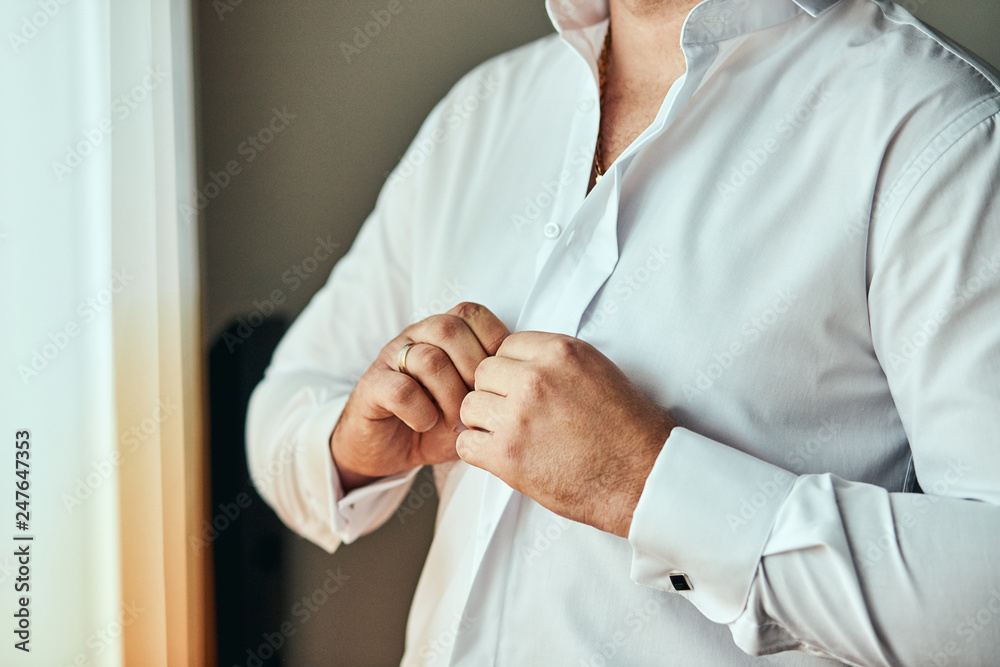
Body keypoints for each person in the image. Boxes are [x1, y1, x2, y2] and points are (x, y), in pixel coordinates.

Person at [247, 0, 1000, 663]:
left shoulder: (937, 129)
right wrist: (354, 445)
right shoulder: (479, 113)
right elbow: (283, 406)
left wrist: (644, 483)